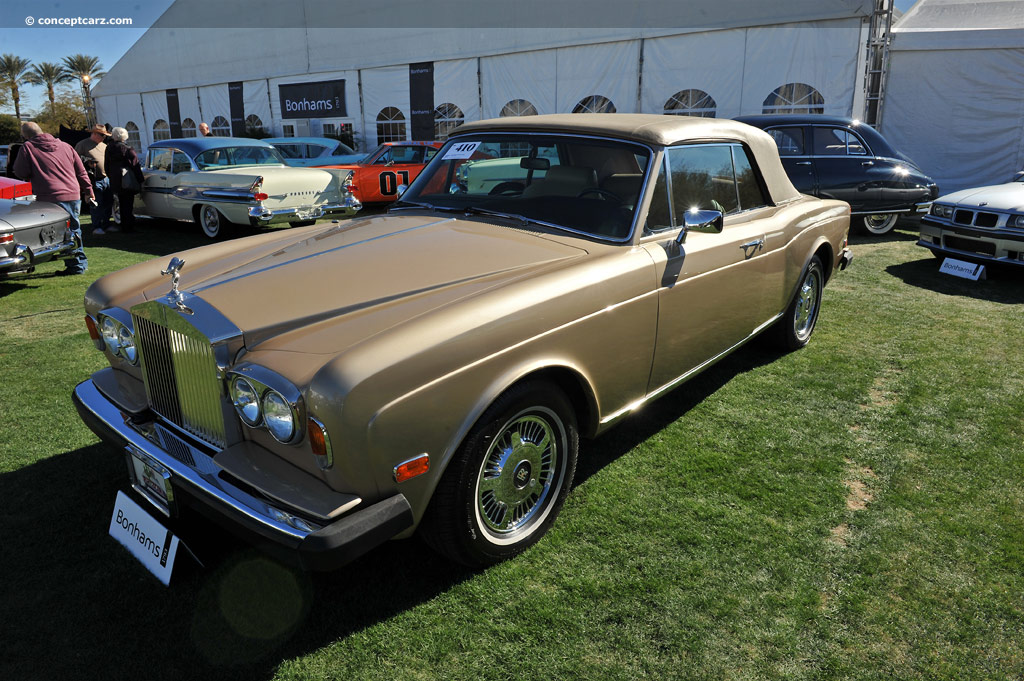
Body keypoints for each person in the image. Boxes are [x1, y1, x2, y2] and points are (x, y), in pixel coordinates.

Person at [12, 121, 93, 275]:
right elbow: (81, 171)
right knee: (73, 229)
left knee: (45, 233)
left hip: (48, 195)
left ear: (26, 136)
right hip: (72, 193)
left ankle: (72, 265)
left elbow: (20, 172)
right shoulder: (65, 146)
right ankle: (77, 264)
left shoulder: (28, 147)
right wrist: (89, 190)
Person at [75, 124, 114, 235]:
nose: (104, 137)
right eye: (102, 135)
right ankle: (96, 226)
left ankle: (106, 224)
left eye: (105, 135)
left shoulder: (103, 145)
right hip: (93, 179)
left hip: (106, 178)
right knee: (97, 204)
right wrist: (87, 162)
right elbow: (75, 160)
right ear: (94, 133)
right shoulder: (82, 145)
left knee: (108, 202)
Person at [104, 127, 144, 233]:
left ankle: (124, 225)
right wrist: (141, 179)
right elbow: (135, 165)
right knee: (128, 204)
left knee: (121, 203)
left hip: (115, 180)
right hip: (126, 179)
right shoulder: (127, 149)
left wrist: (112, 176)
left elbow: (106, 166)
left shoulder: (109, 148)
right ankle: (129, 226)